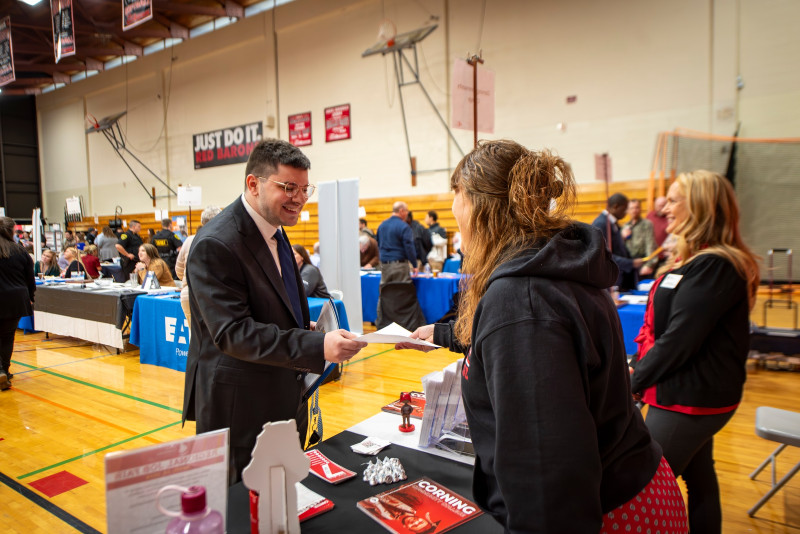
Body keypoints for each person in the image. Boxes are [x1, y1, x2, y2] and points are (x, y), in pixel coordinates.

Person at [398, 140, 686, 532]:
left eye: (458, 205)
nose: (457, 226)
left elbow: (547, 478)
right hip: (635, 490)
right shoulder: (554, 265)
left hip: (611, 512)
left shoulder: (521, 299)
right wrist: (447, 334)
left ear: (480, 208)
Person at [181, 139, 366, 485]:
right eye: (288, 187)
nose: (299, 197)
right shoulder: (215, 244)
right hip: (239, 404)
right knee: (244, 503)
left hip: (282, 390)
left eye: (304, 188)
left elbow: (272, 304)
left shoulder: (276, 230)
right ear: (254, 184)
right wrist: (317, 347)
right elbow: (233, 333)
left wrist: (303, 326)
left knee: (283, 491)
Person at [629, 170, 758, 533]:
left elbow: (679, 340)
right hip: (685, 392)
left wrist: (634, 380)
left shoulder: (716, 265)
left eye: (673, 200)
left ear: (698, 206)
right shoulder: (699, 260)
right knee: (700, 480)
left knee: (644, 488)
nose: (664, 208)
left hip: (690, 399)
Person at [0, 217, 36, 390]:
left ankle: (1, 371)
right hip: (15, 299)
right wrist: (32, 296)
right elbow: (30, 278)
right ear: (12, 231)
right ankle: (4, 371)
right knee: (7, 337)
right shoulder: (20, 251)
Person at [175, 205, 222, 326]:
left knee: (194, 337)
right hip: (209, 296)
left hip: (188, 294)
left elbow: (179, 270)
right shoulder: (221, 239)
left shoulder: (189, 240)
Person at [592, 193, 642, 291]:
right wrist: (630, 263)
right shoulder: (601, 223)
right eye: (624, 209)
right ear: (615, 206)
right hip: (610, 279)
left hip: (620, 277)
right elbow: (603, 255)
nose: (626, 212)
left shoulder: (612, 222)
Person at [622, 199, 658, 278]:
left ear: (640, 209)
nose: (634, 210)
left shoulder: (647, 224)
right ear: (627, 210)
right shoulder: (625, 226)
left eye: (637, 207)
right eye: (631, 208)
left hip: (643, 262)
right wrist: (622, 237)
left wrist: (649, 265)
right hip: (630, 263)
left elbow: (650, 244)